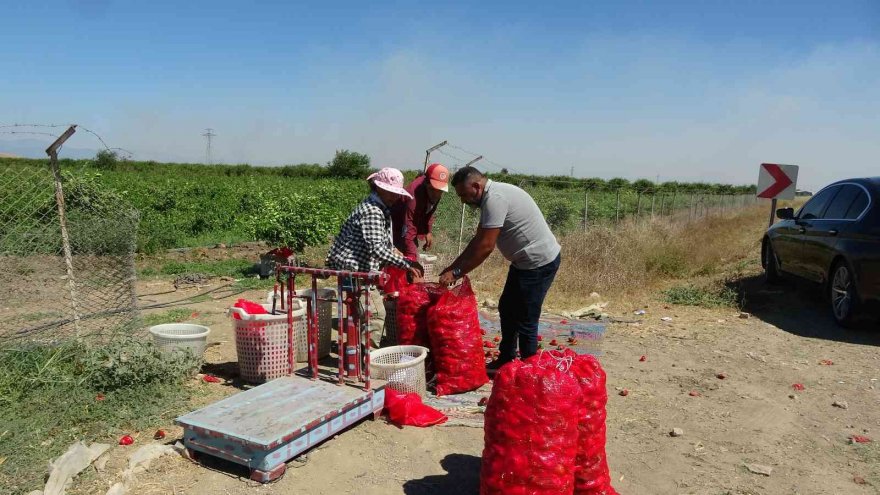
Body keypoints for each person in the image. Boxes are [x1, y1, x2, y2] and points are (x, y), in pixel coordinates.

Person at [439, 167, 561, 371]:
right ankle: (506, 359)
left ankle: (529, 373)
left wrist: (458, 272)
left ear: (476, 186)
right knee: (507, 307)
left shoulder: (495, 199)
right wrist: (453, 267)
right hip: (524, 262)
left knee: (526, 318)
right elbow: (478, 240)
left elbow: (486, 247)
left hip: (538, 263)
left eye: (464, 195)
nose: (463, 201)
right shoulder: (491, 198)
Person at [327, 167, 424, 338]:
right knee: (376, 315)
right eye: (390, 192)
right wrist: (407, 264)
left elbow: (381, 242)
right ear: (378, 188)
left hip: (360, 268)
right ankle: (366, 359)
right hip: (355, 269)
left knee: (362, 314)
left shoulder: (378, 208)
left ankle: (356, 354)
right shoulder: (373, 210)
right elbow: (377, 249)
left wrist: (397, 253)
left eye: (396, 193)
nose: (395, 197)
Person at [391, 163, 450, 260]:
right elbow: (408, 228)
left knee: (411, 254)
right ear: (426, 183)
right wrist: (413, 260)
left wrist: (428, 231)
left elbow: (430, 210)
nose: (436, 193)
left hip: (410, 225)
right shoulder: (413, 195)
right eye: (432, 189)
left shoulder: (435, 192)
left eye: (440, 190)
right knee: (403, 256)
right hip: (397, 226)